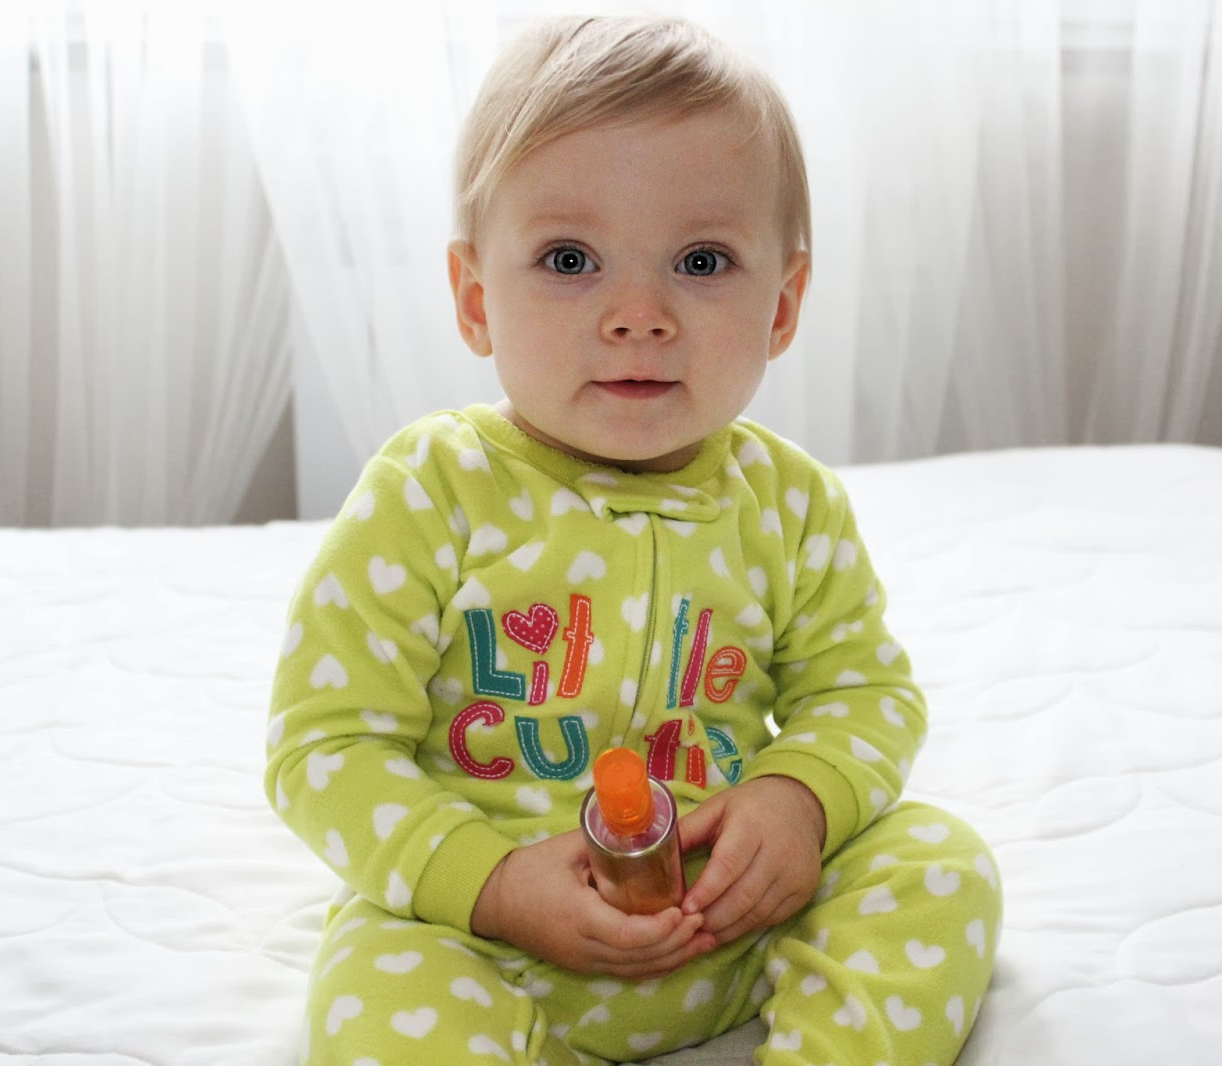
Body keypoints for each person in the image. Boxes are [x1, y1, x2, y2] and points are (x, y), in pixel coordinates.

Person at [265, 15, 1001, 1064]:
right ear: (476, 299)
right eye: (569, 259)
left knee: (939, 861)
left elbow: (865, 692)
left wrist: (796, 801)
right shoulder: (431, 492)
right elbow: (323, 747)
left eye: (702, 260)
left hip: (734, 921)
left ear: (783, 305)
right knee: (375, 978)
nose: (638, 314)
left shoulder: (788, 504)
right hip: (490, 937)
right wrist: (488, 882)